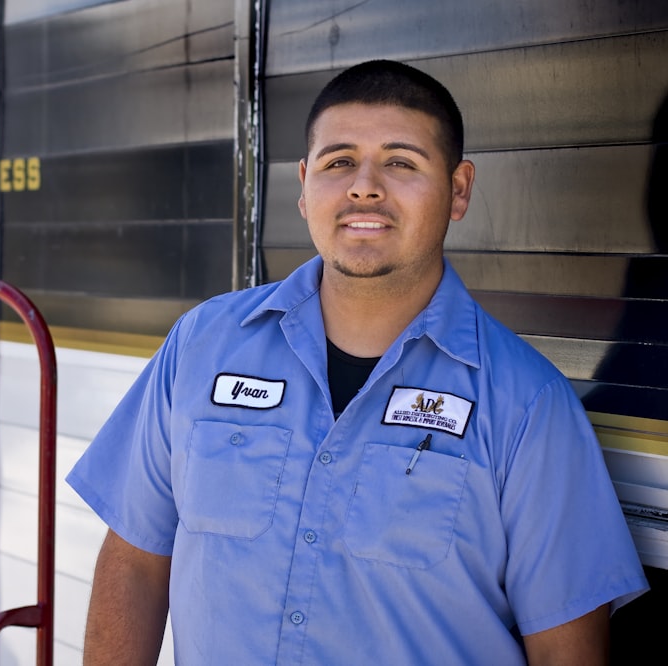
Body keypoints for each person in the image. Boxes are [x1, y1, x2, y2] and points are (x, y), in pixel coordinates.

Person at [66, 59, 649, 664]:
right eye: (338, 161)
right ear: (302, 185)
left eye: (401, 162)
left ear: (458, 190)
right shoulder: (201, 344)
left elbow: (567, 651)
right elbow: (134, 561)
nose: (364, 186)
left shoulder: (527, 405)